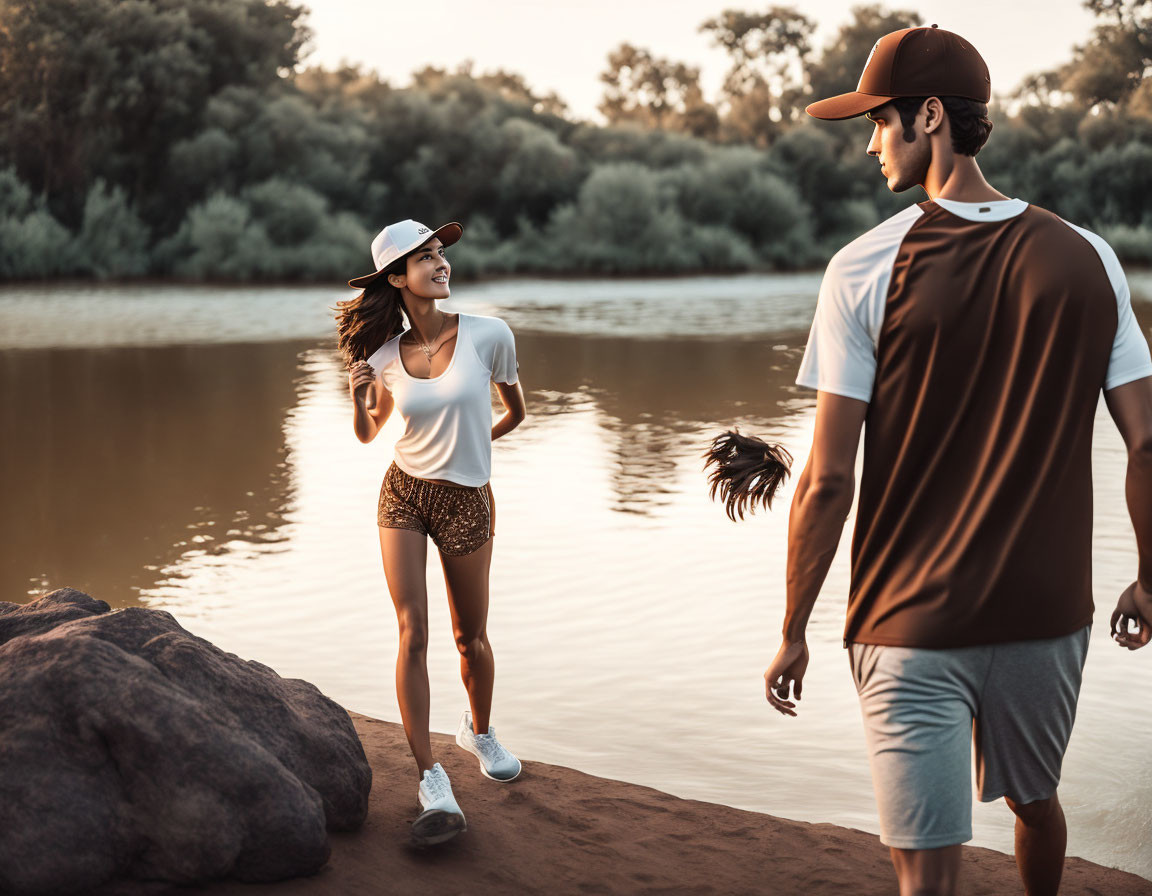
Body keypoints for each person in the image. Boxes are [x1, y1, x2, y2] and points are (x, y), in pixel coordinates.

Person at [755, 25, 1152, 896]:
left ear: (927, 117)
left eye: (878, 120)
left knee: (926, 870)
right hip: (1048, 615)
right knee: (1037, 801)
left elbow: (825, 480)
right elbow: (1148, 441)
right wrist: (1151, 577)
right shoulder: (1091, 258)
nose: (868, 142)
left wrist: (793, 629)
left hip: (909, 620)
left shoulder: (865, 267)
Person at [335, 219, 526, 846]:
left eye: (441, 253)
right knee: (412, 631)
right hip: (404, 494)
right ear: (398, 277)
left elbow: (515, 411)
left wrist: (472, 454)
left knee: (471, 637)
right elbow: (370, 435)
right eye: (426, 258)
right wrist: (361, 398)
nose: (441, 263)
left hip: (468, 500)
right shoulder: (385, 358)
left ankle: (479, 730)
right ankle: (430, 774)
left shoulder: (490, 335)